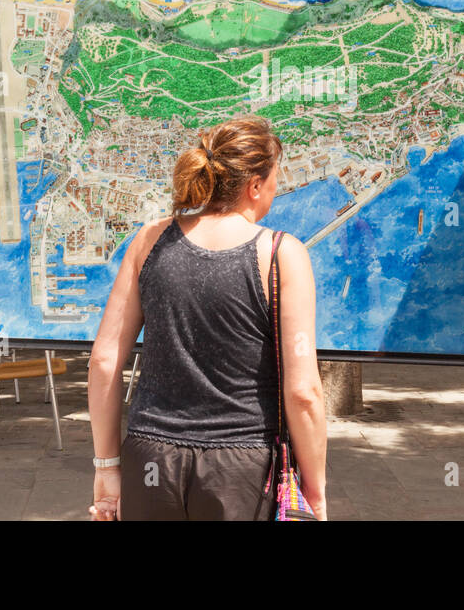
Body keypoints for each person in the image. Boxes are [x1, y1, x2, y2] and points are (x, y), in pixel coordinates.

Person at [87, 116, 327, 521]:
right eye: (273, 181)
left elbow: (103, 361)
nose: (275, 191)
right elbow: (303, 392)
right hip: (241, 469)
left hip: (151, 459)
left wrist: (107, 468)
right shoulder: (281, 254)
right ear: (253, 185)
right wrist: (314, 493)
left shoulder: (150, 241)